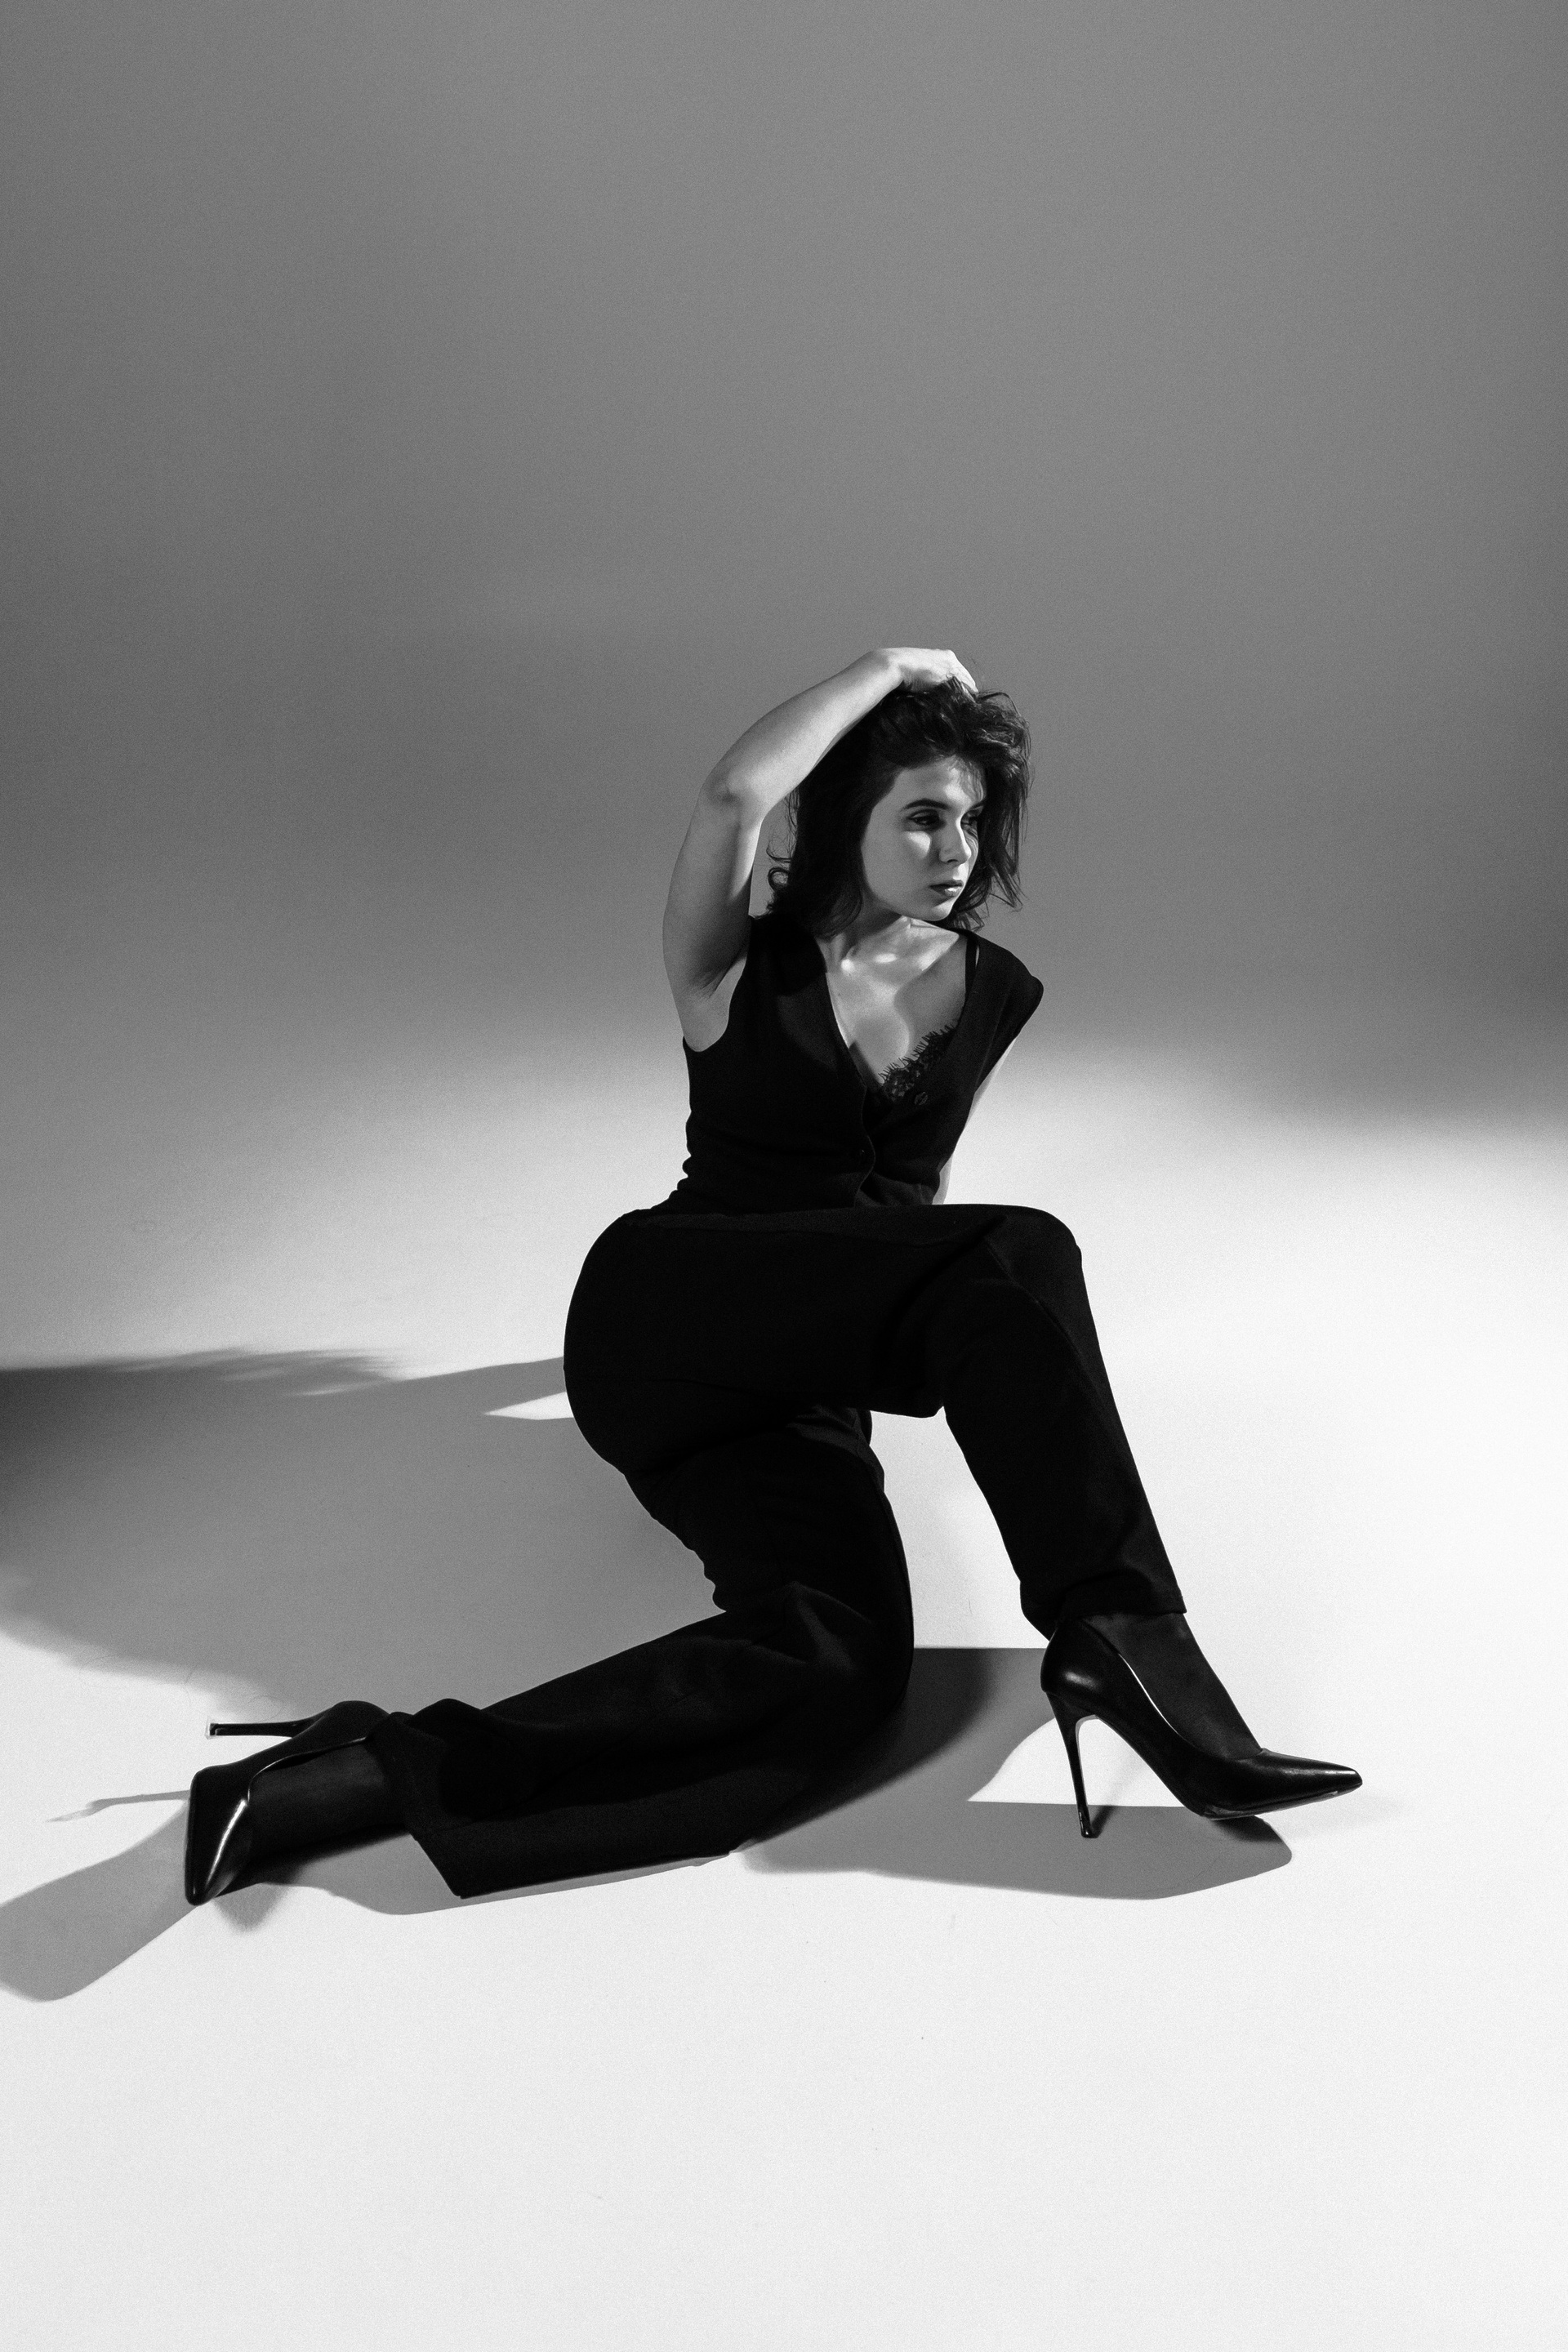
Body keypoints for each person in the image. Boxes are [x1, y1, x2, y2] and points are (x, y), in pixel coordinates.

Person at [184, 647, 1360, 1904]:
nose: (958, 848)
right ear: (846, 818)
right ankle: (1122, 1632)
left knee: (842, 1660)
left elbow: (912, 1211)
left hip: (805, 1385)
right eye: (923, 815)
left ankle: (351, 1780)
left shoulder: (991, 990)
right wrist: (891, 667)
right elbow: (734, 796)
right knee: (1019, 1256)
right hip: (669, 1320)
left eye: (973, 821)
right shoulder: (732, 966)